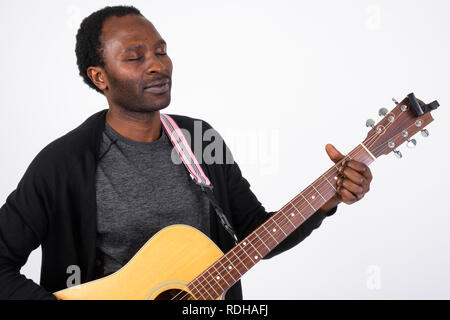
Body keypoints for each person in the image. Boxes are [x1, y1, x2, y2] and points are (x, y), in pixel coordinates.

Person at [0, 5, 372, 300]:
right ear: (100, 77)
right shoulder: (63, 163)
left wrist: (328, 198)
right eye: (135, 57)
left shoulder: (200, 140)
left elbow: (253, 235)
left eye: (161, 51)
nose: (158, 65)